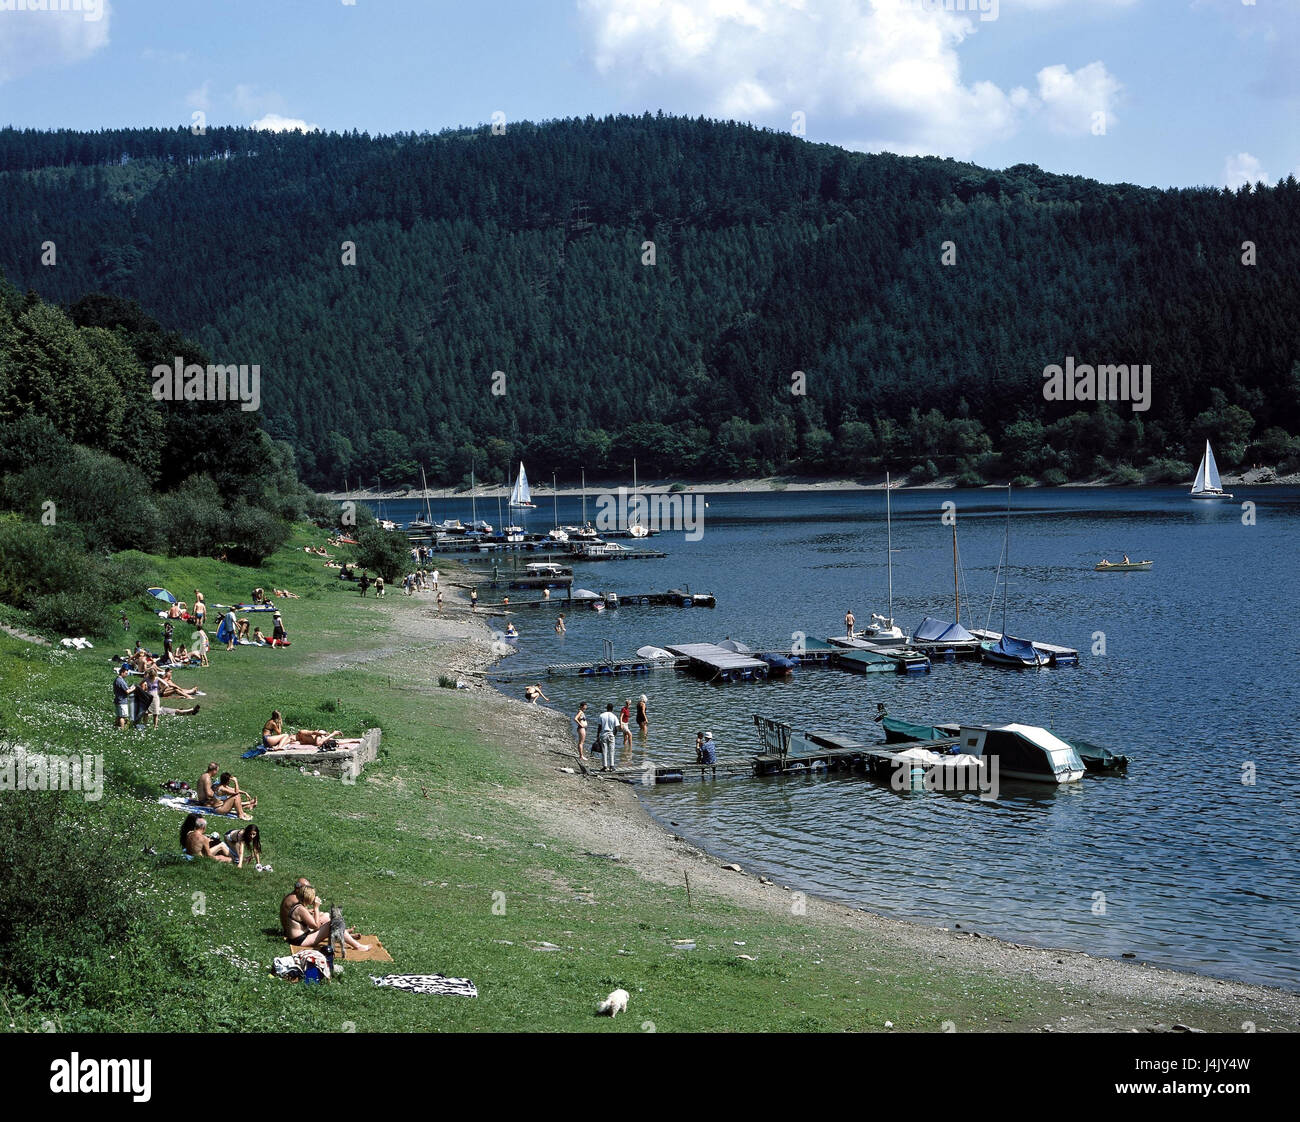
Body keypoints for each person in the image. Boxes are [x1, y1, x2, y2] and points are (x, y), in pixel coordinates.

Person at [283, 885, 370, 951]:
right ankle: (358, 946)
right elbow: (315, 926)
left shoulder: (299, 906)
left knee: (325, 916)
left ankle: (344, 934)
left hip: (303, 934)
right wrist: (316, 908)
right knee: (333, 925)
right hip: (300, 940)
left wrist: (314, 912)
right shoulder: (300, 909)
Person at [597, 703, 620, 771]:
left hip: (603, 734)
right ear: (612, 709)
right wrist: (614, 734)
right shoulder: (614, 716)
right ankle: (612, 766)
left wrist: (597, 735)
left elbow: (599, 727)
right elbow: (616, 727)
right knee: (612, 750)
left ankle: (604, 766)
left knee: (604, 750)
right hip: (611, 734)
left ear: (606, 708)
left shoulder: (601, 715)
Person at [113, 664, 133, 729]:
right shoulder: (120, 681)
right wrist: (134, 688)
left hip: (118, 700)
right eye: (126, 673)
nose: (127, 674)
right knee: (123, 716)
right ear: (122, 672)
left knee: (118, 715)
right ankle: (122, 729)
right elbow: (127, 691)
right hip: (122, 701)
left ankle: (115, 726)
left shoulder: (117, 679)